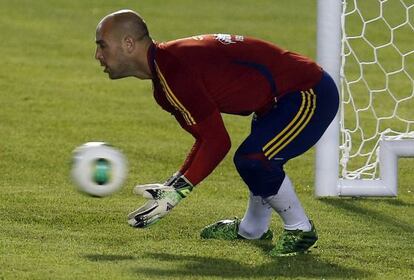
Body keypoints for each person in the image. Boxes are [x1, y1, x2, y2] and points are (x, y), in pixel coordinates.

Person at [95, 9, 339, 257]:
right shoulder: (166, 73)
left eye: (102, 46)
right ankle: (253, 230)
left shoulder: (173, 70)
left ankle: (300, 229)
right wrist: (174, 186)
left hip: (308, 93)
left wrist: (177, 192)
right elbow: (206, 138)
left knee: (255, 160)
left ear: (128, 44)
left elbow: (217, 142)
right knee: (255, 160)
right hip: (276, 102)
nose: (98, 55)